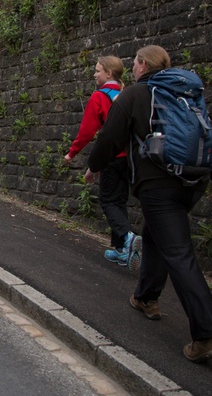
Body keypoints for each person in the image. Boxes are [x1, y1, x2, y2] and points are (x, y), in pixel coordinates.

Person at [87, 45, 212, 363]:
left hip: (158, 186)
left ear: (141, 64)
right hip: (195, 182)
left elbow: (110, 137)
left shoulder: (137, 94)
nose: (135, 68)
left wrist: (94, 166)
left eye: (136, 63)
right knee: (155, 234)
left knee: (178, 253)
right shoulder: (188, 94)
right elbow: (208, 135)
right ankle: (146, 297)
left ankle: (207, 334)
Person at [65, 55, 138, 267]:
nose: (94, 74)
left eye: (98, 71)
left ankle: (127, 237)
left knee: (107, 200)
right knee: (119, 200)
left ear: (109, 73)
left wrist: (72, 153)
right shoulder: (126, 94)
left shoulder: (100, 97)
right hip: (130, 158)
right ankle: (122, 249)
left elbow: (88, 130)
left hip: (112, 157)